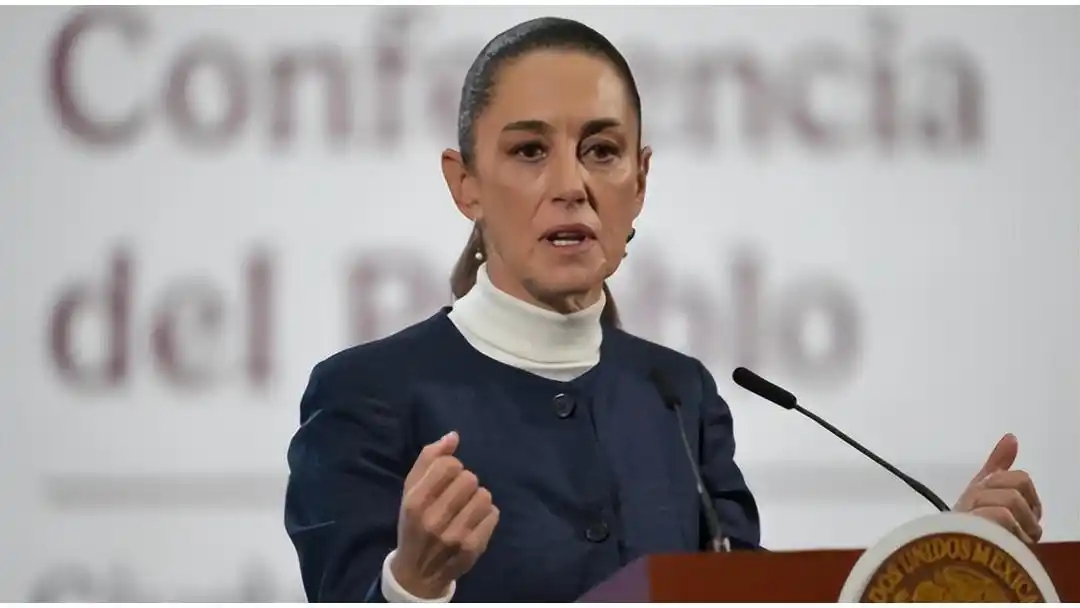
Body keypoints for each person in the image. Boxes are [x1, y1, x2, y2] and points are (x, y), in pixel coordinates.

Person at [283, 16, 1045, 603]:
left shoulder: (680, 397)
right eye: (528, 151)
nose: (571, 185)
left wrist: (938, 565)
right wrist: (412, 584)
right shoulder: (366, 395)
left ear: (640, 181)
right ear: (465, 184)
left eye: (602, 150)